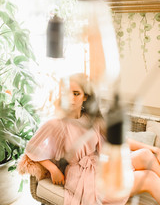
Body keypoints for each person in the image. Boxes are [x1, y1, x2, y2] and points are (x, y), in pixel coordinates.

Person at [18, 73, 160, 205]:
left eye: (76, 94)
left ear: (85, 97)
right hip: (83, 179)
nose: (71, 99)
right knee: (149, 179)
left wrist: (153, 148)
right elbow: (31, 148)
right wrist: (53, 168)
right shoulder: (55, 123)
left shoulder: (92, 119)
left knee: (146, 154)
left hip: (101, 167)